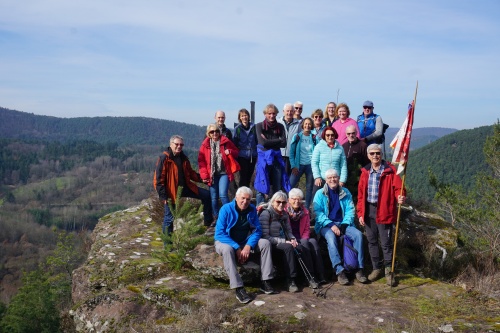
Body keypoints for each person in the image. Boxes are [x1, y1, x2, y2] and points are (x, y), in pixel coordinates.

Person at [214, 187, 275, 303]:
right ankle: (238, 288)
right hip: (225, 241)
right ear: (236, 198)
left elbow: (257, 230)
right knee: (227, 250)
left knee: (265, 243)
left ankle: (266, 281)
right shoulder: (226, 209)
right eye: (243, 198)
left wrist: (248, 246)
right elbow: (219, 233)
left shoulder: (251, 210)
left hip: (244, 241)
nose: (245, 202)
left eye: (248, 199)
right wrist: (236, 247)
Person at [357, 144, 405, 286]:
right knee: (371, 241)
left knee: (386, 243)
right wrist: (360, 213)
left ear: (381, 155)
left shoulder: (390, 171)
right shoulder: (365, 172)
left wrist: (400, 196)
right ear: (368, 156)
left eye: (377, 153)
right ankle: (376, 269)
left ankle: (389, 272)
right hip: (368, 210)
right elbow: (361, 195)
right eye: (372, 153)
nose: (375, 156)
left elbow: (399, 188)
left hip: (384, 210)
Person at [313, 169, 367, 285]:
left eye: (335, 177)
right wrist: (331, 225)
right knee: (331, 239)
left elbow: (350, 210)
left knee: (358, 235)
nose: (333, 180)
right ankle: (339, 270)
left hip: (343, 223)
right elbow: (318, 213)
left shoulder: (345, 192)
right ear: (325, 180)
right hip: (325, 225)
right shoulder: (319, 194)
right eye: (330, 178)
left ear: (338, 178)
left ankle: (359, 268)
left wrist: (344, 224)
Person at [154, 135, 213, 235]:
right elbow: (158, 180)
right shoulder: (164, 158)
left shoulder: (183, 158)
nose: (179, 146)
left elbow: (190, 173)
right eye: (176, 144)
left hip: (186, 188)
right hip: (171, 192)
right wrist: (163, 196)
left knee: (207, 195)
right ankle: (168, 245)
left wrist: (203, 179)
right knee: (169, 218)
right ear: (171, 144)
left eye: (181, 144)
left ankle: (208, 222)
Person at [259, 191, 318, 291]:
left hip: (283, 241)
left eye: (284, 202)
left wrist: (293, 239)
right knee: (289, 247)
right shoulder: (266, 214)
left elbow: (289, 231)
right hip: (272, 243)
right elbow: (265, 236)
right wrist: (284, 241)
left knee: (300, 246)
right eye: (278, 202)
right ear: (273, 202)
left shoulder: (284, 214)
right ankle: (290, 280)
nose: (281, 204)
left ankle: (309, 276)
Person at [198, 124, 239, 227]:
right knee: (213, 197)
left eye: (216, 131)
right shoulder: (205, 145)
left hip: (224, 173)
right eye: (212, 132)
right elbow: (201, 161)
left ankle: (230, 216)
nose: (214, 133)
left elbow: (236, 152)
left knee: (223, 195)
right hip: (212, 175)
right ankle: (216, 218)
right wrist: (204, 175)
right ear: (208, 133)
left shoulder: (225, 141)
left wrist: (229, 151)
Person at [286, 188, 325, 284]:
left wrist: (304, 239)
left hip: (302, 237)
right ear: (289, 200)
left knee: (314, 243)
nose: (296, 201)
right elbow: (285, 230)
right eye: (294, 199)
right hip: (290, 238)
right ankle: (310, 275)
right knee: (305, 243)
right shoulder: (285, 211)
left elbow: (307, 229)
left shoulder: (305, 212)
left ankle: (320, 274)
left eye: (298, 199)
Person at [254, 103, 290, 205]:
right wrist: (277, 140)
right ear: (265, 114)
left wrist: (269, 141)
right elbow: (262, 143)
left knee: (277, 187)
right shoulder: (259, 126)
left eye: (274, 113)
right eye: (269, 113)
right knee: (261, 185)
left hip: (276, 160)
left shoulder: (280, 126)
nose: (272, 116)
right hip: (263, 159)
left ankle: (275, 209)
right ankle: (259, 209)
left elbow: (284, 144)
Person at [289, 117, 317, 209]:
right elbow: (291, 153)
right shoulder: (297, 137)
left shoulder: (314, 137)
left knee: (309, 188)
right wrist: (293, 166)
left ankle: (307, 208)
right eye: (306, 124)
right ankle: (289, 206)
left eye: (309, 124)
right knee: (290, 185)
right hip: (298, 165)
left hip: (311, 166)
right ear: (302, 125)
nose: (307, 126)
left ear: (311, 125)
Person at [311, 126, 348, 197]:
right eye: (327, 135)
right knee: (318, 200)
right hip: (322, 179)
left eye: (332, 135)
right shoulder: (318, 147)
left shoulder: (340, 148)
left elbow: (343, 165)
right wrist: (317, 177)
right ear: (324, 136)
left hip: (335, 180)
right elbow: (314, 163)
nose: (330, 137)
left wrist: (342, 180)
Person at [342, 125, 369, 204]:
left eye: (353, 133)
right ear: (346, 134)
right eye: (348, 133)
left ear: (356, 133)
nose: (351, 135)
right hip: (346, 179)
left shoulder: (363, 146)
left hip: (359, 179)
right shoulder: (343, 146)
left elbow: (367, 164)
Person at [233, 108, 258, 188]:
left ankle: (246, 195)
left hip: (252, 155)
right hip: (242, 155)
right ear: (240, 118)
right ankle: (241, 195)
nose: (244, 117)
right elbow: (234, 143)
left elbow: (257, 141)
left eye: (246, 115)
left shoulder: (254, 127)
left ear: (248, 116)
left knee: (249, 177)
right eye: (242, 116)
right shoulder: (237, 129)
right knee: (243, 176)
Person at [278, 103, 302, 176]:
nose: (289, 113)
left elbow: (300, 139)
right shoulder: (278, 122)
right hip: (279, 155)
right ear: (283, 111)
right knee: (278, 178)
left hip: (291, 157)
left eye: (291, 111)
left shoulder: (298, 124)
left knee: (289, 179)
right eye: (287, 111)